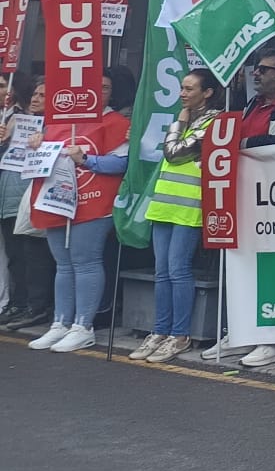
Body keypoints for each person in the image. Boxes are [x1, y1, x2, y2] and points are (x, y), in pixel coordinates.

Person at [131, 67, 223, 363]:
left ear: (207, 92)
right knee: (161, 271)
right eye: (182, 88)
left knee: (178, 269)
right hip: (164, 202)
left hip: (189, 204)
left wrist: (179, 124)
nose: (182, 94)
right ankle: (159, 332)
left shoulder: (214, 119)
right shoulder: (186, 119)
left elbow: (175, 152)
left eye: (189, 89)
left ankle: (179, 335)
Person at [26, 99, 132, 353]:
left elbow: (122, 163)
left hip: (94, 202)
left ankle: (83, 327)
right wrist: (36, 145)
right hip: (56, 200)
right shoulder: (56, 121)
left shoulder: (116, 122)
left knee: (85, 261)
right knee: (63, 264)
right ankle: (61, 323)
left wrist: (85, 159)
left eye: (106, 88)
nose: (100, 92)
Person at [0, 77, 56, 333]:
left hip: (31, 198)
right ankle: (18, 303)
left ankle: (37, 306)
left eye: (43, 95)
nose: (35, 99)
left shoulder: (56, 127)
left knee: (34, 255)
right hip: (9, 199)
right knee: (15, 257)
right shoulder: (16, 121)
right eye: (35, 94)